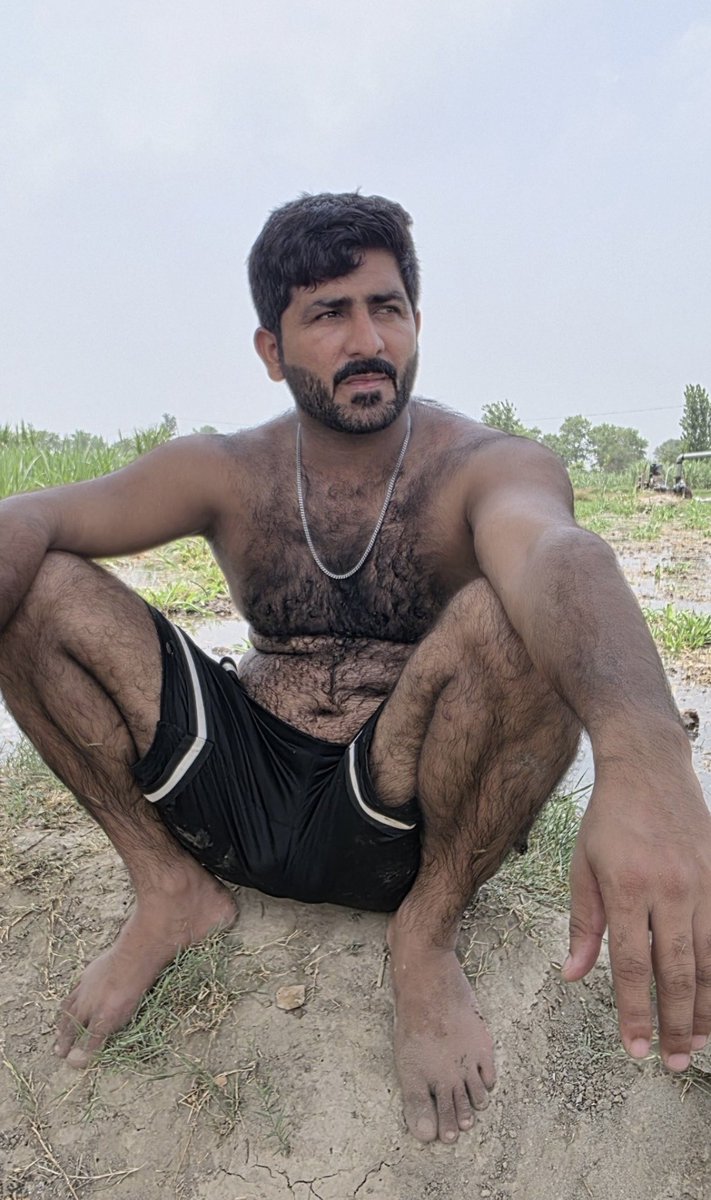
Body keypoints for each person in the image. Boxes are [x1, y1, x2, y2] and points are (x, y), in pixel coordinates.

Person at [0, 193, 709, 1147]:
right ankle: (169, 888)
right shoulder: (224, 469)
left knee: (512, 618)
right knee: (37, 585)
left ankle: (425, 935)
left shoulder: (484, 466)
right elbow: (31, 517)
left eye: (387, 307)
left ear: (417, 320)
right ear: (271, 347)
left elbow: (556, 557)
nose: (367, 339)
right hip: (232, 787)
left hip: (404, 812)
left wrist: (646, 754)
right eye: (329, 314)